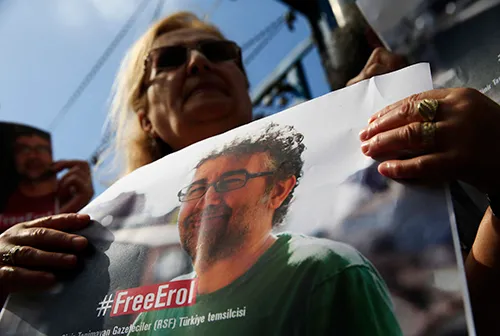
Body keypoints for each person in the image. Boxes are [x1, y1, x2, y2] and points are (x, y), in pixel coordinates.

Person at [0, 11, 499, 334]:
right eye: (169, 60)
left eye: (218, 53)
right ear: (145, 115)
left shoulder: (370, 169)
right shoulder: (104, 255)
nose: (197, 63)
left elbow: (467, 314)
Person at [131, 123, 401, 335]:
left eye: (231, 181)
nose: (209, 199)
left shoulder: (326, 273)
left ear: (278, 191)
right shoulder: (156, 312)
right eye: (197, 189)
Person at [0, 127, 94, 232]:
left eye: (41, 149)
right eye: (23, 149)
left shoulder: (66, 195)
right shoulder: (5, 200)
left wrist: (81, 207)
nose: (32, 156)